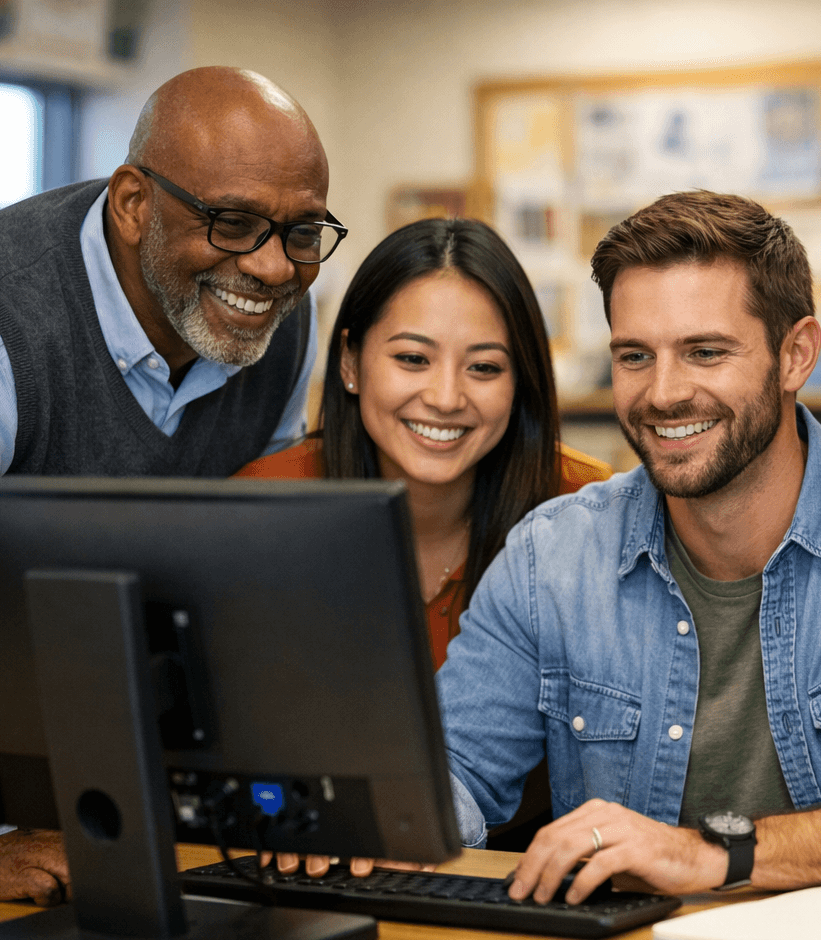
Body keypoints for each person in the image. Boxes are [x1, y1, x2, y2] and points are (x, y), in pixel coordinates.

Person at [432, 189, 821, 906]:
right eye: (635, 356)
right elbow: (452, 768)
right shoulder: (551, 555)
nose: (663, 393)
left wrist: (715, 856)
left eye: (705, 352)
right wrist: (360, 830)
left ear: (796, 355)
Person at [0, 66, 341, 902]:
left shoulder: (278, 325)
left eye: (303, 232)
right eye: (234, 223)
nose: (272, 269)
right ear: (133, 205)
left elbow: (231, 579)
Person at [237, 217, 610, 851]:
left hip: (530, 870)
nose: (444, 396)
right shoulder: (262, 510)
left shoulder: (584, 511)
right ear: (351, 363)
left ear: (521, 384)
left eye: (484, 368)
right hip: (306, 852)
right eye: (412, 359)